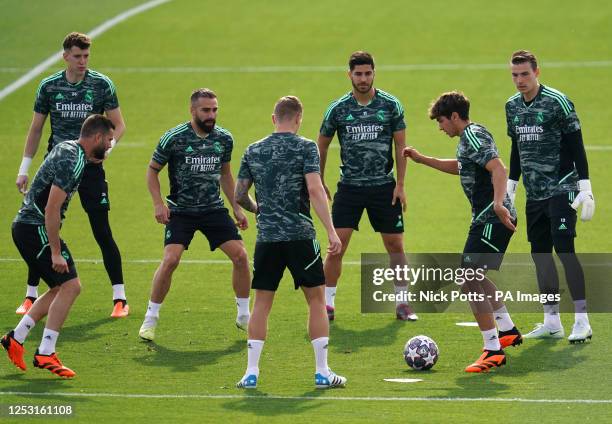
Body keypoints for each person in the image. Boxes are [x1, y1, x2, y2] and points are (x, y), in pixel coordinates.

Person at [404, 91, 523, 372]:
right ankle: (506, 330)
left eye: (441, 121)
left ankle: (493, 349)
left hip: (491, 218)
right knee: (474, 276)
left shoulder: (472, 135)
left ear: (455, 117)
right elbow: (463, 167)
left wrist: (497, 205)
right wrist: (423, 159)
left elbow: (498, 169)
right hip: (486, 218)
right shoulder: (469, 138)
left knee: (468, 277)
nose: (440, 127)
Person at [234, 95, 346, 389]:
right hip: (300, 237)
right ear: (298, 119)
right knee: (316, 301)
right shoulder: (306, 147)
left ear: (274, 118)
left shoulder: (253, 150)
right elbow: (314, 189)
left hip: (267, 239)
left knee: (261, 304)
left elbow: (239, 195)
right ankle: (322, 372)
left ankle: (251, 372)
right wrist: (332, 231)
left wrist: (260, 210)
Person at [15, 32, 128, 318]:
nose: (82, 61)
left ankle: (120, 297)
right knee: (41, 222)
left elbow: (119, 125)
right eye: (77, 56)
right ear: (65, 56)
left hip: (90, 168)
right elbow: (37, 128)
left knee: (101, 228)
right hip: (57, 165)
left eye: (86, 56)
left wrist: (104, 152)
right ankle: (31, 295)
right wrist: (24, 169)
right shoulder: (49, 86)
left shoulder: (101, 84)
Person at [2, 114, 115, 378]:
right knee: (71, 286)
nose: (111, 145)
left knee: (59, 287)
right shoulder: (73, 160)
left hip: (27, 226)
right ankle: (45, 352)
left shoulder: (67, 148)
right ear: (97, 137)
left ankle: (15, 339)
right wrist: (55, 251)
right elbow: (51, 208)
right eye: (109, 139)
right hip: (34, 227)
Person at [139, 88, 251, 342]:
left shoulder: (224, 139)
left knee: (241, 256)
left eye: (214, 110)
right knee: (171, 260)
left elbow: (225, 174)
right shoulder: (174, 138)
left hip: (213, 209)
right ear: (193, 110)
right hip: (181, 211)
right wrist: (158, 204)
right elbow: (152, 171)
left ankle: (244, 315)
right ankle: (151, 318)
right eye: (206, 110)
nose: (211, 115)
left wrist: (236, 206)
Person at [317, 51, 416, 321]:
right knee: (337, 246)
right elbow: (322, 144)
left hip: (384, 187)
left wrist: (401, 184)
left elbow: (400, 145)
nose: (363, 79)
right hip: (349, 188)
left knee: (395, 245)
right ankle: (326, 305)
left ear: (374, 73)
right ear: (349, 74)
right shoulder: (337, 109)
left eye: (367, 73)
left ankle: (403, 303)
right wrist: (321, 180)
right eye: (358, 74)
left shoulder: (390, 105)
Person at [505, 50, 594, 343]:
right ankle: (551, 320)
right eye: (515, 75)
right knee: (540, 254)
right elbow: (517, 148)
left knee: (564, 250)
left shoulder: (557, 102)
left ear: (537, 72)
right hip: (535, 194)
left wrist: (585, 187)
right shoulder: (512, 107)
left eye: (525, 74)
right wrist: (511, 186)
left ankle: (582, 319)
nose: (520, 80)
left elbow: (576, 145)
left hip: (562, 187)